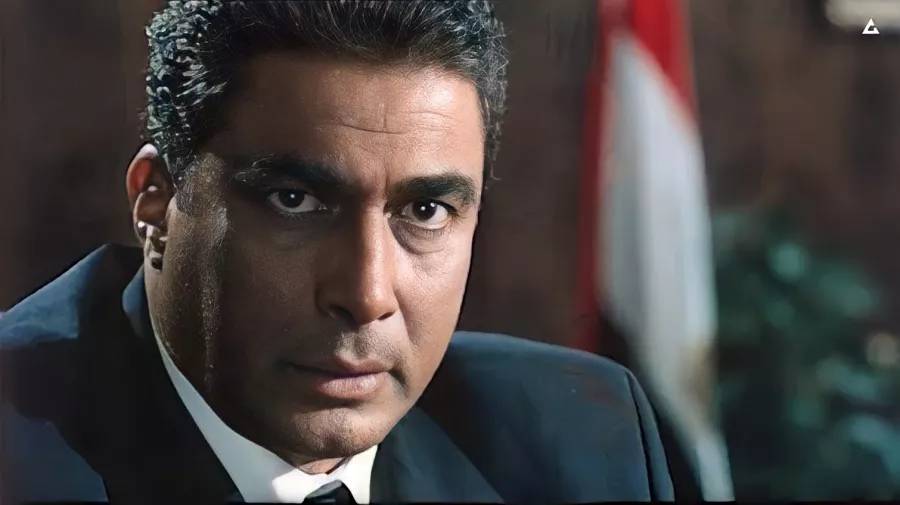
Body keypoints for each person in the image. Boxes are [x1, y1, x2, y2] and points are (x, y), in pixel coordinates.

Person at [0, 1, 673, 503]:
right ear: (157, 203)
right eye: (294, 200)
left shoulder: (586, 440)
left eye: (425, 211)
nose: (367, 293)